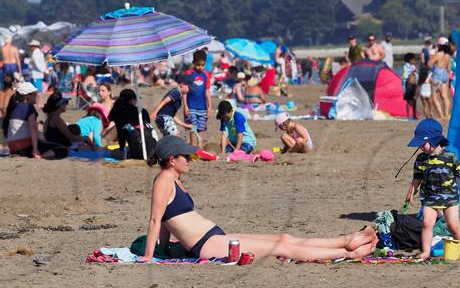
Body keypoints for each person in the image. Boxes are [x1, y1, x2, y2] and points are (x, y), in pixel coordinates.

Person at [141, 136, 378, 261]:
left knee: (284, 238)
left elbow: (165, 223)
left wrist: (165, 249)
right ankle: (347, 252)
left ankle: (344, 240)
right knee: (281, 247)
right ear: (172, 160)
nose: (190, 159)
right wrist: (151, 255)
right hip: (206, 245)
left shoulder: (175, 180)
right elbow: (155, 220)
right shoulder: (163, 181)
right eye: (186, 156)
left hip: (213, 237)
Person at [403, 119, 460, 260]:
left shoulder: (449, 157)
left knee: (453, 225)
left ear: (434, 140)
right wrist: (411, 192)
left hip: (450, 198)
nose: (421, 147)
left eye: (423, 143)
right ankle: (426, 252)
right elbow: (417, 178)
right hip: (429, 198)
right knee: (427, 223)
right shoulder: (421, 159)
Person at [102, 88, 155, 158]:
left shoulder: (119, 114)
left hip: (137, 151)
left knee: (111, 151)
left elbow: (121, 135)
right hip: (152, 148)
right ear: (132, 100)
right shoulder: (142, 112)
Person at [3, 82, 43, 159]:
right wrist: (35, 150)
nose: (36, 96)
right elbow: (33, 129)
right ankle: (42, 155)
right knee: (60, 149)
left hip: (13, 148)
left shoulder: (14, 106)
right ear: (28, 96)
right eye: (34, 94)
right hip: (25, 147)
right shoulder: (29, 107)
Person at [150, 77, 195, 142]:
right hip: (163, 118)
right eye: (189, 88)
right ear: (182, 85)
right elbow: (163, 101)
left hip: (165, 118)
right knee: (177, 138)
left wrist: (185, 125)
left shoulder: (179, 95)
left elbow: (172, 116)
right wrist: (155, 112)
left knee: (170, 140)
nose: (190, 90)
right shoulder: (176, 93)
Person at [183, 49, 212, 136]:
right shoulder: (188, 73)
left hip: (203, 107)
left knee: (201, 129)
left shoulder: (206, 75)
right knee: (193, 128)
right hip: (191, 107)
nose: (200, 67)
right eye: (198, 65)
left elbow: (207, 91)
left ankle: (199, 148)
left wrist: (210, 106)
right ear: (193, 62)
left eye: (202, 65)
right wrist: (185, 106)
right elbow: (184, 91)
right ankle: (193, 148)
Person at [428, 42, 453, 120]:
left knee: (435, 97)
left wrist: (433, 69)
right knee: (445, 96)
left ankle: (441, 116)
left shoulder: (439, 54)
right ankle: (447, 115)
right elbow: (449, 68)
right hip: (445, 75)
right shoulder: (449, 56)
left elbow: (429, 63)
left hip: (437, 75)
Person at [402, 53, 419, 119]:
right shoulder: (405, 67)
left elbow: (417, 75)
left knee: (414, 100)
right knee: (409, 101)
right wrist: (412, 72)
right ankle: (408, 115)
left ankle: (414, 115)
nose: (414, 61)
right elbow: (405, 76)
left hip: (414, 84)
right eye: (413, 59)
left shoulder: (413, 66)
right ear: (410, 60)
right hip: (408, 85)